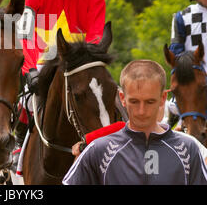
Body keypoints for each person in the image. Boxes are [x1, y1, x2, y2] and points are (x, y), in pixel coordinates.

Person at [13, 0, 106, 167]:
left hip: (76, 71)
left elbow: (95, 43)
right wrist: (32, 70)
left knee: (112, 101)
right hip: (38, 68)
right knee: (18, 101)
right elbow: (24, 35)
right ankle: (15, 148)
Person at [62, 60, 207, 185]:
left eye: (150, 102)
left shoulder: (189, 148)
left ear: (163, 98)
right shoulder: (98, 150)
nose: (141, 111)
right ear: (122, 98)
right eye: (134, 102)